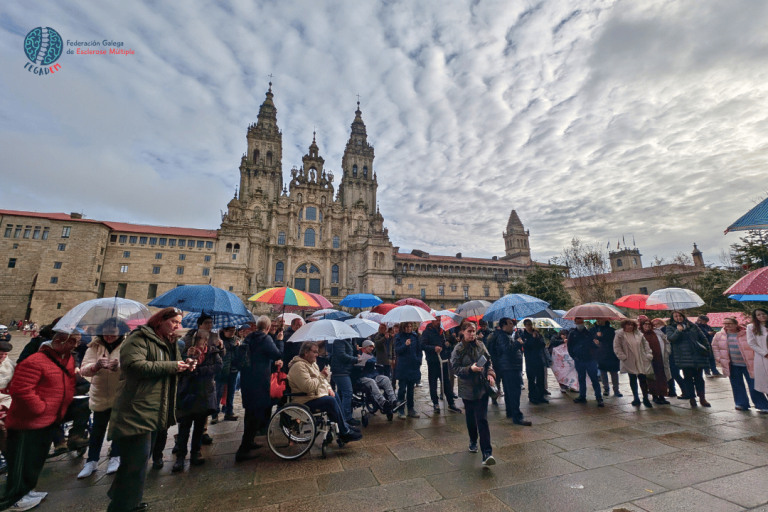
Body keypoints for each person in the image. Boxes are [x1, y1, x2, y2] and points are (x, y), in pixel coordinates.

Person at [107, 307, 188, 512]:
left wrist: (186, 365)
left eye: (179, 323)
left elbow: (170, 367)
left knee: (138, 460)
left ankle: (127, 499)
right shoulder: (139, 338)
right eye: (174, 322)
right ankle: (122, 506)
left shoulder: (168, 342)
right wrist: (172, 366)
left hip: (153, 406)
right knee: (136, 461)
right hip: (136, 407)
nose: (178, 326)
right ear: (160, 321)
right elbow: (134, 366)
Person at [0, 330, 78, 512]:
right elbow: (21, 389)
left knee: (35, 459)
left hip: (50, 419)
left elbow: (68, 382)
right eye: (73, 341)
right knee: (21, 462)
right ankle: (14, 500)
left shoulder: (66, 359)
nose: (76, 345)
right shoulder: (35, 361)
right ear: (59, 341)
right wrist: (40, 408)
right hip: (28, 422)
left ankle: (27, 491)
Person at [77, 319, 128, 479]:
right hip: (100, 394)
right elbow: (84, 369)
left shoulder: (128, 346)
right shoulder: (94, 346)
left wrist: (119, 366)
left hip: (120, 394)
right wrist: (96, 366)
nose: (109, 335)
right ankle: (91, 461)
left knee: (118, 429)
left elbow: (133, 366)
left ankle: (115, 457)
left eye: (113, 332)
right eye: (106, 331)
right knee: (97, 430)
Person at [287, 342, 362, 442]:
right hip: (304, 400)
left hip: (313, 396)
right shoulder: (299, 366)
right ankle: (344, 431)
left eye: (317, 352)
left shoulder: (311, 364)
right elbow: (308, 387)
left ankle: (343, 425)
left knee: (334, 395)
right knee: (330, 400)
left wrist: (329, 388)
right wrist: (322, 375)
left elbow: (323, 381)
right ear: (305, 352)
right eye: (314, 352)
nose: (317, 355)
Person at [236, 315, 283, 462]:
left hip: (247, 380)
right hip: (259, 381)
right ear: (268, 328)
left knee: (250, 413)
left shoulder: (250, 337)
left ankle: (249, 442)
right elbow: (277, 354)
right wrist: (280, 341)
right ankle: (243, 450)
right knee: (255, 413)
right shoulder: (265, 339)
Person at [451, 321, 497, 466]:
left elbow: (489, 361)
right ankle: (472, 439)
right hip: (467, 389)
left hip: (481, 387)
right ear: (463, 332)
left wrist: (490, 374)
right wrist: (470, 369)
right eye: (469, 331)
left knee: (482, 419)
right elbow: (455, 369)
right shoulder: (458, 349)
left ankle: (487, 453)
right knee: (471, 418)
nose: (472, 334)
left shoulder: (481, 345)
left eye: (474, 331)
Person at [714, 316, 768, 412]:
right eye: (725, 323)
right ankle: (741, 404)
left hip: (749, 363)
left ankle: (762, 405)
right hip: (732, 365)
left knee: (754, 385)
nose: (727, 325)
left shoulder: (746, 333)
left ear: (736, 324)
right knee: (736, 385)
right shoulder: (720, 335)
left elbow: (756, 344)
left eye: (729, 323)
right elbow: (715, 347)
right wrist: (719, 359)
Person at [666, 311, 711, 407]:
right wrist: (678, 330)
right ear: (672, 318)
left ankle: (702, 398)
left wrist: (707, 349)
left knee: (699, 378)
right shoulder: (670, 327)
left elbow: (702, 338)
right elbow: (671, 339)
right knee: (688, 378)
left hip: (697, 355)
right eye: (675, 316)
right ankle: (692, 398)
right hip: (683, 357)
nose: (678, 317)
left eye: (680, 316)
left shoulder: (692, 326)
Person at [493, 318, 530, 425]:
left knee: (510, 392)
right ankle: (517, 416)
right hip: (510, 368)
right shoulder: (502, 336)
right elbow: (508, 350)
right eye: (510, 323)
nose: (512, 325)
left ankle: (510, 412)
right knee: (514, 392)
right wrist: (517, 343)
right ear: (503, 325)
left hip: (510, 367)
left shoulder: (506, 335)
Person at [421, 316, 460, 413]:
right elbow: (422, 345)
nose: (438, 322)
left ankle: (451, 403)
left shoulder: (443, 332)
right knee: (433, 383)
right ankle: (435, 403)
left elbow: (447, 344)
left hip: (443, 360)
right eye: (436, 320)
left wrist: (447, 344)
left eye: (439, 320)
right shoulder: (427, 332)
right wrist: (433, 348)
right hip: (433, 361)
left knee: (447, 382)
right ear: (432, 320)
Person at [614, 320, 654, 408]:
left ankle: (645, 398)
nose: (630, 326)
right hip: (629, 360)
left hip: (641, 359)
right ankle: (636, 398)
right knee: (632, 379)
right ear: (624, 326)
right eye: (628, 325)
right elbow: (617, 347)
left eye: (632, 325)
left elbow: (646, 345)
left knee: (643, 379)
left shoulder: (639, 334)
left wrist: (648, 355)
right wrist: (623, 357)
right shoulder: (620, 335)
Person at [355, 340, 400, 413]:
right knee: (371, 382)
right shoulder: (358, 354)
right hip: (362, 377)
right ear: (365, 347)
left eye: (372, 347)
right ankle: (383, 402)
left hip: (372, 375)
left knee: (385, 379)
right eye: (370, 346)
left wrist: (366, 359)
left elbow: (374, 360)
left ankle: (393, 400)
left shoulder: (370, 355)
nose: (372, 348)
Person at [568, 318, 604, 406]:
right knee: (581, 378)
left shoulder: (590, 333)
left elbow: (596, 346)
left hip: (590, 359)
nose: (580, 323)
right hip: (579, 360)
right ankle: (582, 396)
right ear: (575, 322)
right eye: (578, 322)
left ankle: (599, 397)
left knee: (594, 379)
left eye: (581, 322)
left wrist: (597, 343)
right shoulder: (572, 334)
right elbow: (569, 346)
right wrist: (574, 356)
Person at [639, 319, 672, 404]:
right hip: (648, 360)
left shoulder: (658, 333)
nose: (647, 326)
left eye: (649, 324)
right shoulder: (639, 335)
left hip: (659, 358)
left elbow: (666, 342)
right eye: (645, 324)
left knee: (661, 377)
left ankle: (662, 395)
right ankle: (654, 396)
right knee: (651, 378)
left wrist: (667, 352)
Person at [212, 325, 239, 423]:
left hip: (234, 370)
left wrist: (238, 347)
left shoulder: (236, 339)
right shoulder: (219, 339)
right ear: (224, 330)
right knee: (218, 393)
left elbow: (238, 355)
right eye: (230, 331)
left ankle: (229, 412)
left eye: (234, 330)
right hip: (222, 370)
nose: (232, 333)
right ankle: (215, 415)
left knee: (231, 393)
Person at [330, 334, 359, 425]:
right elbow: (342, 355)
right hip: (340, 371)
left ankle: (340, 416)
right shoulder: (340, 341)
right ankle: (346, 418)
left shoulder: (347, 341)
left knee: (342, 394)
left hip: (343, 371)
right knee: (348, 393)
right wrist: (356, 359)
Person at [395, 322, 422, 419]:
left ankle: (411, 409)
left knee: (411, 390)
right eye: (407, 326)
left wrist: (418, 360)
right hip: (403, 367)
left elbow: (419, 350)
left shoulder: (415, 336)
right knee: (402, 389)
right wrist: (405, 345)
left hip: (413, 367)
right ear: (403, 327)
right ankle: (401, 409)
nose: (409, 328)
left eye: (410, 326)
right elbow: (397, 350)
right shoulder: (398, 336)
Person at [519, 319, 549, 404]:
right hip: (530, 360)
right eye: (527, 324)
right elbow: (526, 346)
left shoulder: (537, 333)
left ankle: (541, 396)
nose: (529, 326)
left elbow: (543, 345)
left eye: (530, 324)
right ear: (525, 326)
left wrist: (538, 338)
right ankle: (532, 397)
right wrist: (533, 338)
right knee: (531, 380)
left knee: (540, 379)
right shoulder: (523, 335)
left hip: (539, 359)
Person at [591, 320, 621, 397]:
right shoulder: (593, 330)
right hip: (600, 354)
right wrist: (597, 338)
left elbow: (616, 341)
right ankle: (606, 389)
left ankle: (616, 390)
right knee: (603, 373)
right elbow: (591, 342)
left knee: (614, 373)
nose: (599, 320)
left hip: (612, 354)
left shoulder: (612, 330)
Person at [747, 309, 768, 403]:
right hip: (762, 357)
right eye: (758, 315)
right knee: (765, 381)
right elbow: (751, 343)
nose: (762, 316)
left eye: (764, 314)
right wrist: (764, 353)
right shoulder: (751, 327)